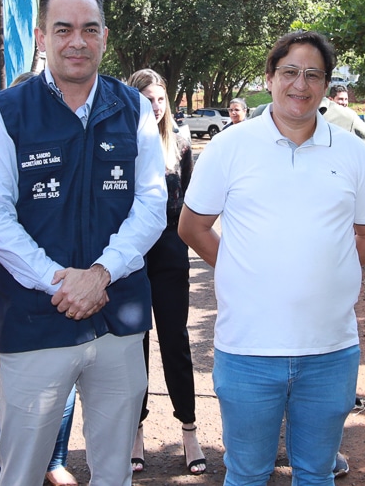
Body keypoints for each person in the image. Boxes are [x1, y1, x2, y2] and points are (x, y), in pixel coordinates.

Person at [0, 0, 167, 486]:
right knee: (20, 472)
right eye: (62, 29)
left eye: (89, 29)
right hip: (35, 321)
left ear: (104, 36)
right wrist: (59, 282)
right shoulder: (7, 111)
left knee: (114, 471)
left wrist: (100, 274)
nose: (76, 41)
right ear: (41, 37)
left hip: (118, 319)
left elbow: (151, 205)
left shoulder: (133, 108)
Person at [179, 30, 365, 486]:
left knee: (316, 474)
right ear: (269, 77)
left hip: (330, 351)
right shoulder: (230, 147)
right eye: (290, 72)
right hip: (248, 350)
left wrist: (327, 267)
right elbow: (192, 227)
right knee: (247, 474)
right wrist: (244, 267)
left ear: (326, 85)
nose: (300, 84)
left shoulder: (355, 154)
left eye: (313, 74)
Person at [0, 71, 78, 486]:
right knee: (7, 384)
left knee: (65, 378)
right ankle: (0, 475)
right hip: (0, 278)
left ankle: (54, 461)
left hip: (61, 275)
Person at [125, 69, 206, 475]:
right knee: (134, 343)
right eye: (147, 99)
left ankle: (189, 430)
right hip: (132, 255)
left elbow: (189, 200)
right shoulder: (120, 141)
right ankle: (135, 431)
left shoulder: (180, 140)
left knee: (175, 341)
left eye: (160, 99)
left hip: (171, 252)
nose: (155, 106)